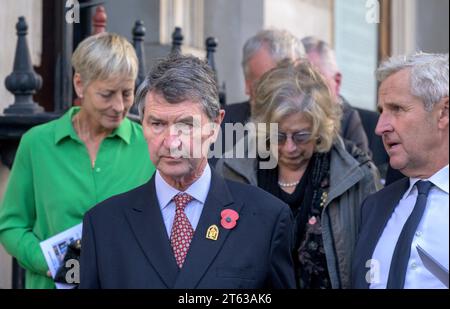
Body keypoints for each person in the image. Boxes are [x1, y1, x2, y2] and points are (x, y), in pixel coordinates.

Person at [79, 54, 296, 289]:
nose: (172, 142)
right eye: (157, 124)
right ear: (142, 125)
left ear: (214, 126)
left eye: (185, 125)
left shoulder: (266, 219)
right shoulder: (103, 225)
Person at [0, 33, 155, 289]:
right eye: (107, 94)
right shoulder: (36, 144)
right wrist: (48, 262)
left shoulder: (148, 146)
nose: (119, 106)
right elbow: (11, 225)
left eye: (127, 93)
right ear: (80, 84)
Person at [216, 59, 380, 289]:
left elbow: (372, 263)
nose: (290, 147)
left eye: (302, 136)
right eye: (279, 136)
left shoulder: (355, 175)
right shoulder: (234, 170)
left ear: (321, 129)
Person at [352, 52, 449, 289]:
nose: (380, 127)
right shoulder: (374, 206)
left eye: (396, 109)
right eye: (382, 111)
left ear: (443, 112)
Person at [212, 29, 304, 161]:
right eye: (267, 85)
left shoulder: (321, 134)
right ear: (248, 84)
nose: (279, 96)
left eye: (287, 84)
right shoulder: (219, 130)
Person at [301, 36, 370, 157]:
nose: (304, 91)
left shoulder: (349, 121)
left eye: (315, 82)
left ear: (337, 82)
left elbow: (361, 172)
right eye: (298, 82)